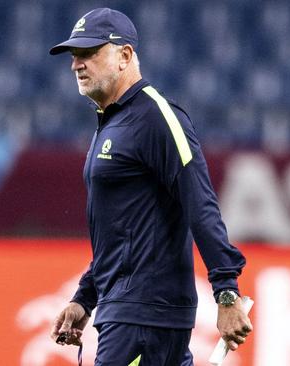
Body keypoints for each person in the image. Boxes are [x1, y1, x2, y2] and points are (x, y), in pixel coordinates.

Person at [48, 8, 252, 366]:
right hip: (128, 313)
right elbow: (123, 234)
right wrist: (85, 298)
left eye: (90, 53)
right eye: (74, 56)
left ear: (125, 55)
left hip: (145, 317)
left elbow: (200, 203)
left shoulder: (157, 116)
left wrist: (226, 293)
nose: (76, 64)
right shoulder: (111, 124)